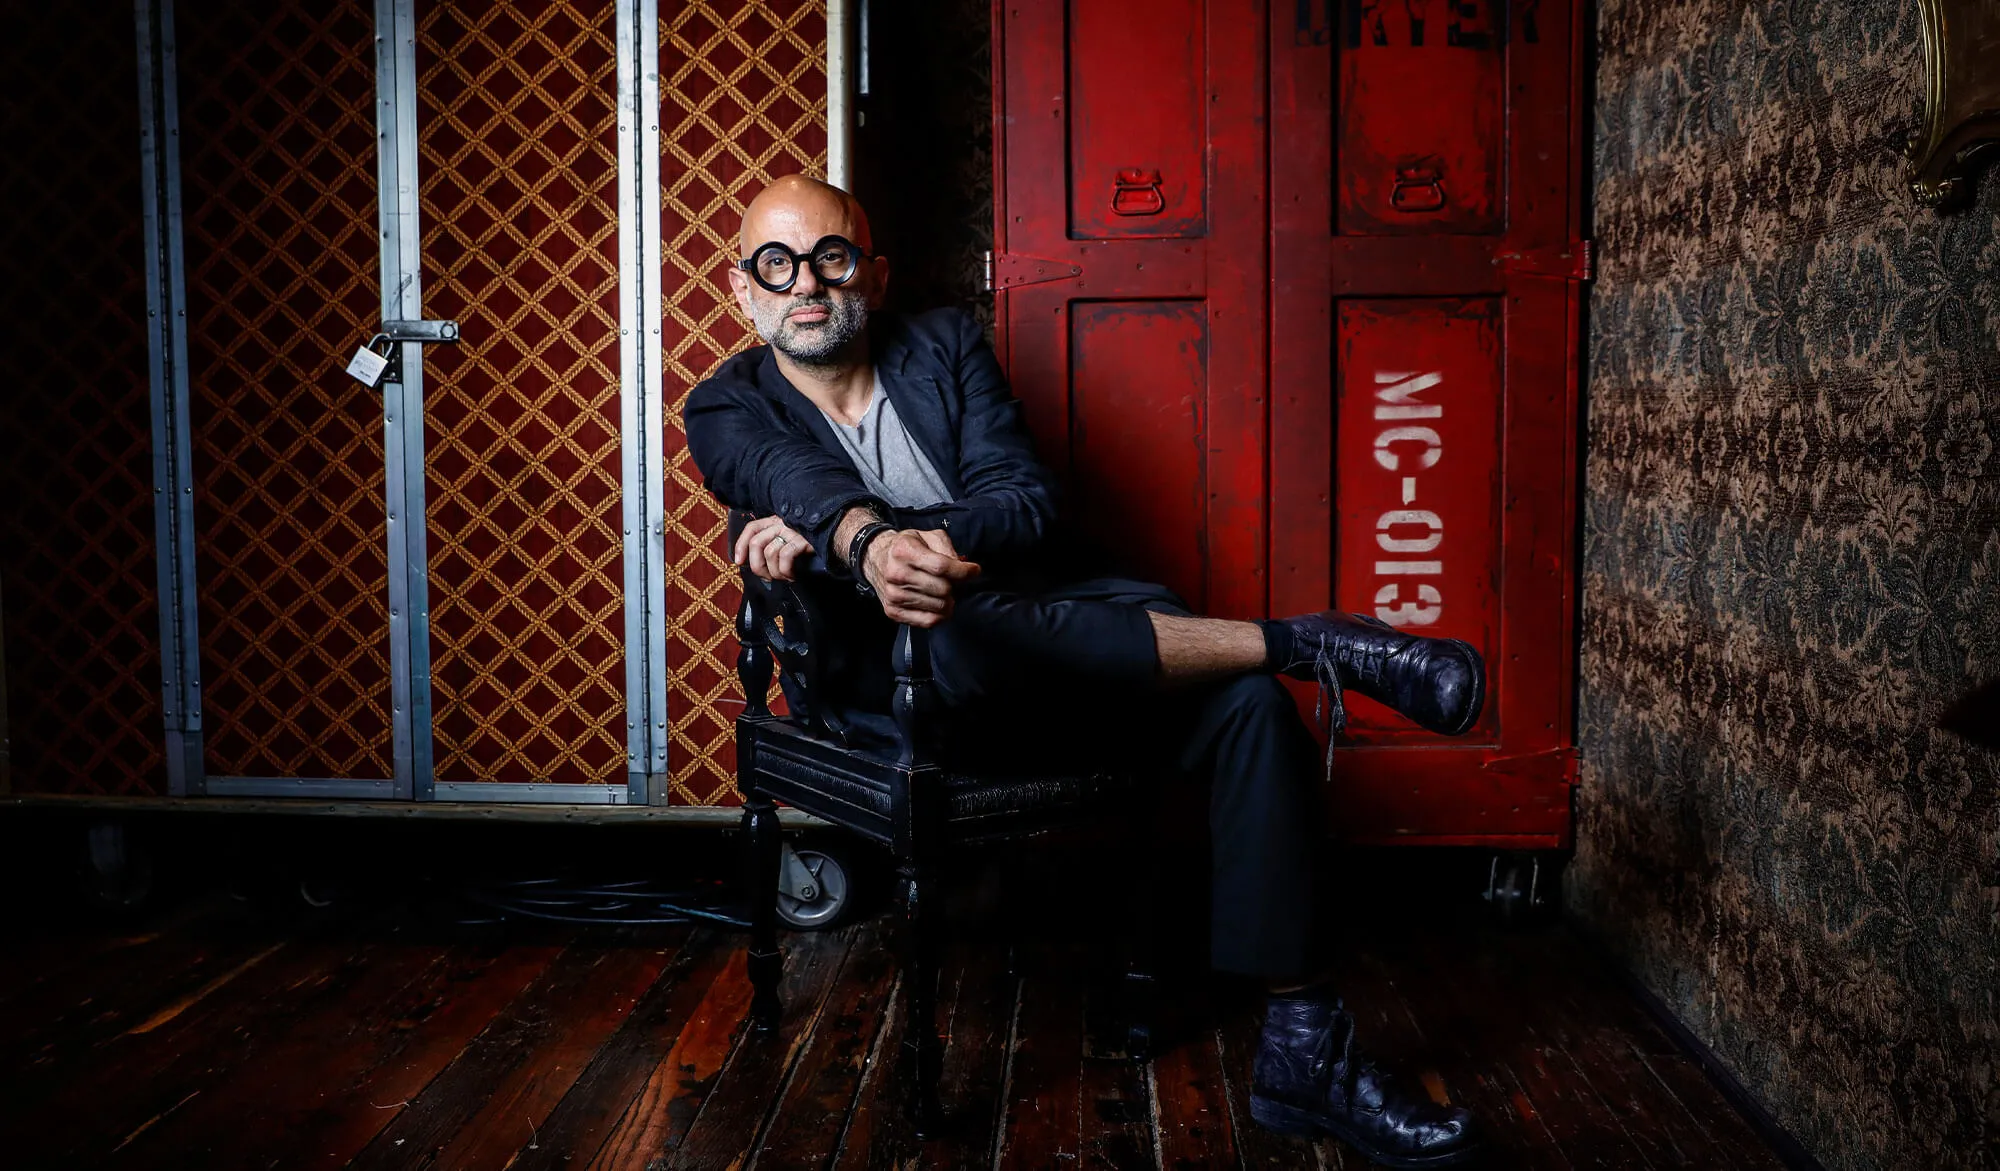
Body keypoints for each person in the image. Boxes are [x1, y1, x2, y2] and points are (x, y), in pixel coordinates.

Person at [685, 175, 1485, 1167]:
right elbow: (791, 480)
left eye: (830, 256)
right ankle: (1308, 641)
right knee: (958, 632)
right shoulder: (723, 404)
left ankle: (1303, 1049)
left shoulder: (940, 346)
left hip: (1053, 650)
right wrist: (861, 546)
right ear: (742, 291)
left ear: (872, 272)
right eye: (776, 263)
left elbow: (1023, 500)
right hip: (901, 699)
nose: (805, 282)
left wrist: (907, 541)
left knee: (1245, 707)